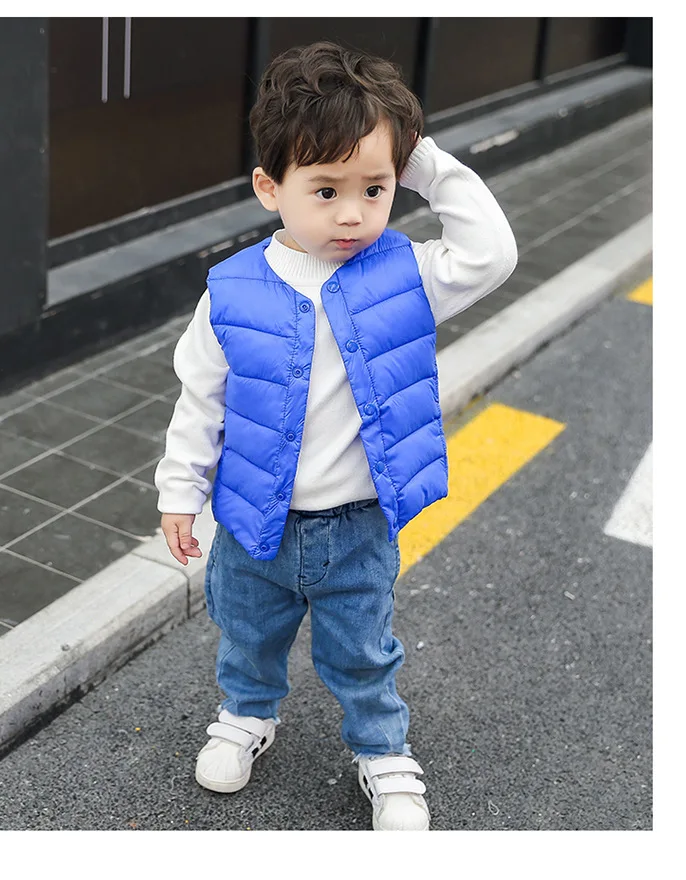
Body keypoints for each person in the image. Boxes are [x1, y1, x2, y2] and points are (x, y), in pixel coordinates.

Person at [155, 40, 517, 831]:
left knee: (363, 651)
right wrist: (179, 492)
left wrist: (423, 162)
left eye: (375, 188)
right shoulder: (231, 291)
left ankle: (382, 750)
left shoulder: (408, 274)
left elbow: (493, 254)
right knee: (247, 635)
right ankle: (246, 714)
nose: (353, 213)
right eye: (325, 189)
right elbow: (200, 399)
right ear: (269, 187)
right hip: (254, 524)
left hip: (357, 525)